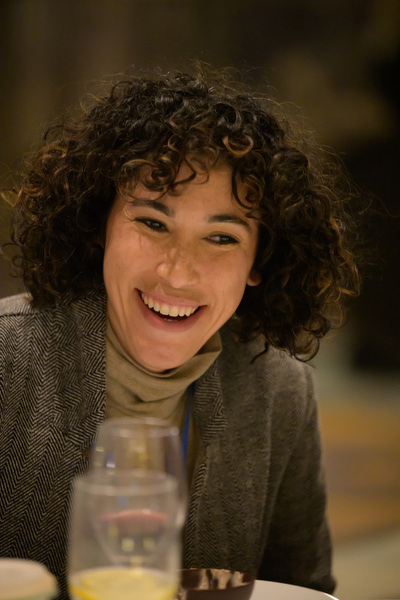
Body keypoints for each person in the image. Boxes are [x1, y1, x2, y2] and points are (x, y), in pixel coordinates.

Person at [0, 67, 360, 599]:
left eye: (221, 237)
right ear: (100, 226)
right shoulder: (7, 359)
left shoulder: (278, 390)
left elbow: (301, 589)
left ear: (258, 262)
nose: (177, 272)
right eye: (153, 223)